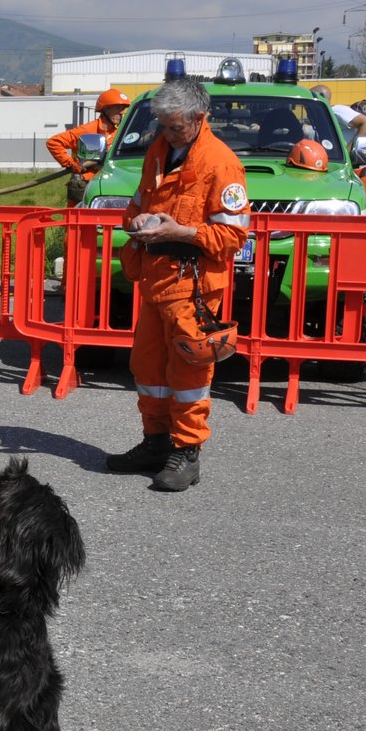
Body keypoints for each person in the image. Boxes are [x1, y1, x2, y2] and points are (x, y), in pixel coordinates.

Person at [104, 78, 248, 492]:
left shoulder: (221, 163)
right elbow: (138, 202)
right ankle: (155, 443)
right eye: (163, 126)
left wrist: (180, 232)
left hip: (194, 286)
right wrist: (134, 222)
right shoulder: (158, 152)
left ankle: (186, 453)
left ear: (199, 119)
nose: (166, 134)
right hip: (156, 280)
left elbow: (233, 237)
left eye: (174, 127)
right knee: (148, 370)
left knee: (188, 374)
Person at [48, 88, 130, 206]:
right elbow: (53, 142)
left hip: (112, 183)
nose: (121, 113)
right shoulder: (87, 130)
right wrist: (71, 164)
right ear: (106, 109)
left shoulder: (120, 132)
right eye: (118, 108)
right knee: (77, 220)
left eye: (123, 109)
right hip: (85, 184)